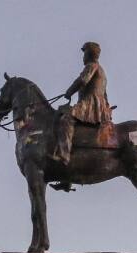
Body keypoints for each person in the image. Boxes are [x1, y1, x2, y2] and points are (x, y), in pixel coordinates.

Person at [50, 41, 112, 170]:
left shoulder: (92, 66)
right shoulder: (102, 71)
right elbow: (105, 94)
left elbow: (83, 80)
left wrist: (69, 91)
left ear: (89, 54)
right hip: (99, 106)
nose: (83, 57)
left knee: (65, 119)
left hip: (89, 105)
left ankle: (64, 154)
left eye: (84, 53)